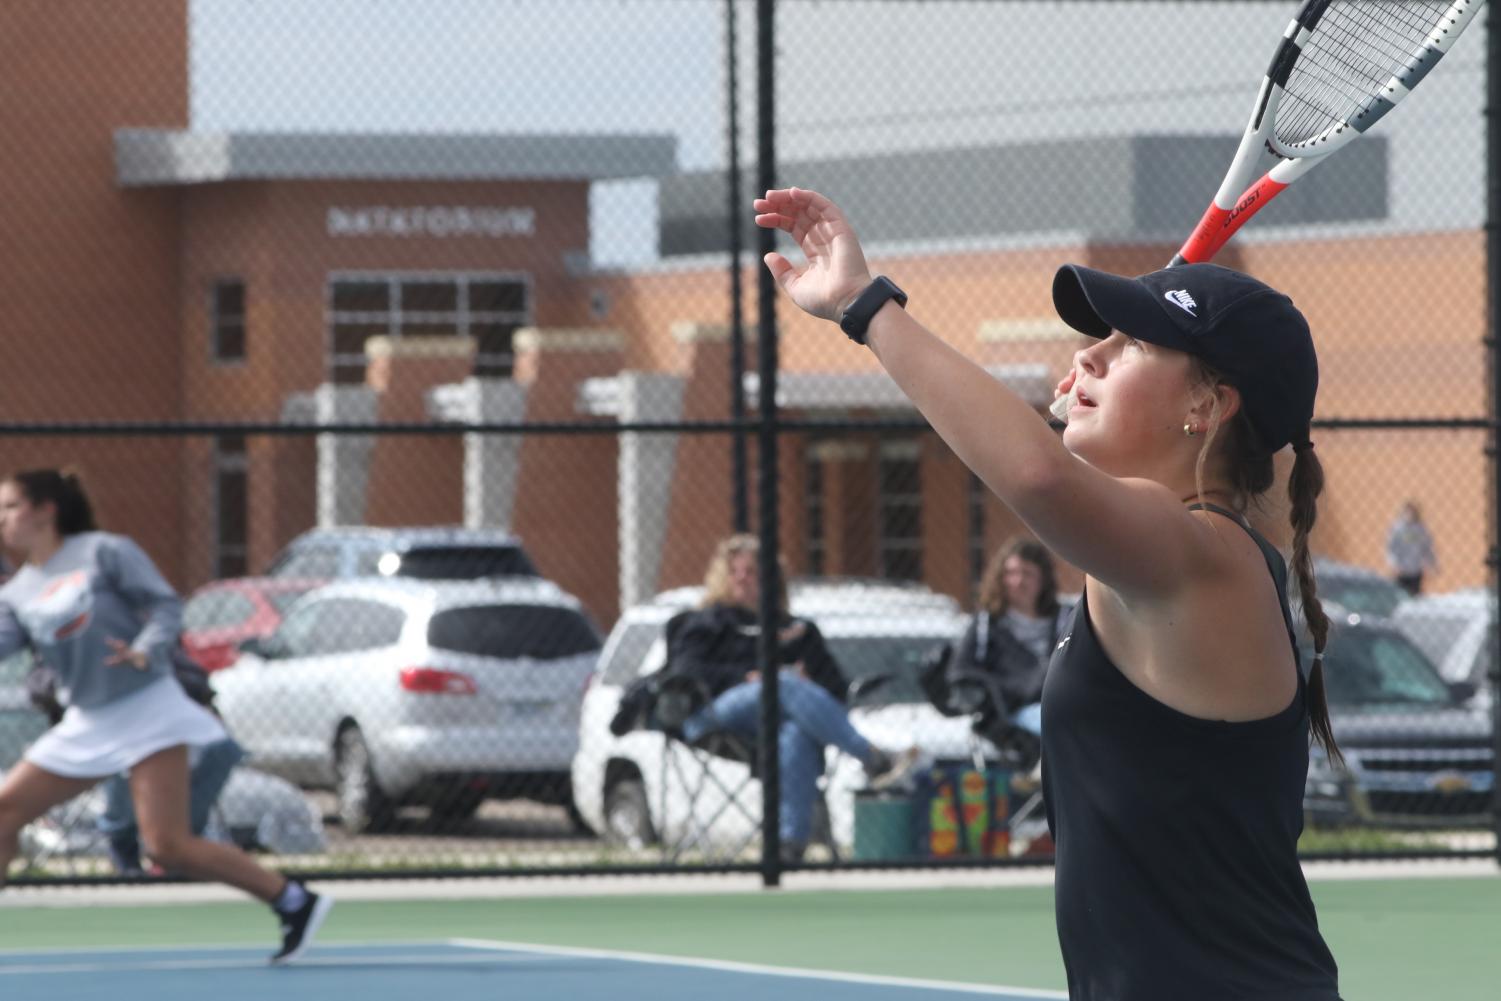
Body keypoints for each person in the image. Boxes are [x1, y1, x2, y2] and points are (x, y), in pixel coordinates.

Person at [755, 187, 1342, 999]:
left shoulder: (1205, 556)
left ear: (1206, 405)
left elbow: (1036, 475)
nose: (1089, 356)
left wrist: (865, 304)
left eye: (1129, 343)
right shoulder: (1148, 560)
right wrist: (1088, 415)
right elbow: (1054, 476)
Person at [0, 469, 331, 964]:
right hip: (86, 720)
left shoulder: (106, 552)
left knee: (168, 846)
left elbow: (164, 606)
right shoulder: (18, 591)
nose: (2, 519)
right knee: (4, 811)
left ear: (46, 509)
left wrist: (145, 650)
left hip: (148, 708)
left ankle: (294, 900)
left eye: (10, 507)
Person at [667, 533, 917, 862]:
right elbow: (686, 671)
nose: (743, 579)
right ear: (722, 577)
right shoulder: (706, 622)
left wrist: (808, 680)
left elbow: (835, 689)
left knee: (796, 731)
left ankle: (788, 846)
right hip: (717, 713)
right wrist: (745, 676)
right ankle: (873, 759)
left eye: (753, 571)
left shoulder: (797, 629)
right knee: (779, 682)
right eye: (736, 571)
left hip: (780, 718)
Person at [26, 653, 245, 876]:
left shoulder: (151, 632)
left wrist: (160, 676)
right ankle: (124, 844)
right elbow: (41, 685)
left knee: (222, 748)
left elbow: (192, 676)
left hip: (164, 724)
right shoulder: (63, 633)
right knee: (125, 756)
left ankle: (181, 843)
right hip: (104, 728)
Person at [951, 537, 1071, 716]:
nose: (1018, 582)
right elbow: (961, 670)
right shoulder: (987, 624)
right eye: (1011, 573)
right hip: (1010, 713)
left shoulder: (1065, 619)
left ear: (1043, 579)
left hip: (1059, 705)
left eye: (1027, 573)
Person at [1385, 500, 1436, 596]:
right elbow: (1391, 548)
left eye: (1412, 511)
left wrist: (1432, 564)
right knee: (1400, 594)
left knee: (1415, 595)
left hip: (1415, 569)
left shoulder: (1421, 529)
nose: (1410, 514)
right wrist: (1394, 564)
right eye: (1407, 511)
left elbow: (1427, 548)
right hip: (1401, 570)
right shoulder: (1397, 529)